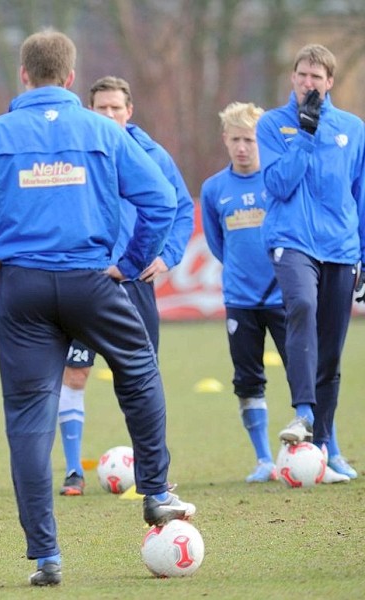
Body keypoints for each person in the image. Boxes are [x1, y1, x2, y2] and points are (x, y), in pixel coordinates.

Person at [0, 30, 195, 586]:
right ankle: (157, 490)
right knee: (140, 371)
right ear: (71, 78)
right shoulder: (102, 130)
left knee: (28, 417)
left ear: (24, 75)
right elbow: (162, 199)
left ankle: (46, 555)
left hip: (20, 289)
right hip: (91, 280)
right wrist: (132, 260)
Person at [202, 102, 355, 484]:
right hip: (240, 298)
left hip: (281, 296)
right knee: (247, 379)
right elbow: (217, 244)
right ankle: (263, 460)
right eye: (235, 139)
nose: (242, 147)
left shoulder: (275, 182)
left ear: (262, 140)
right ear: (225, 140)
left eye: (249, 139)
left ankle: (329, 450)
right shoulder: (213, 189)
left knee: (307, 373)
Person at [57, 76, 195, 496]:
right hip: (87, 278)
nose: (109, 115)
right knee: (75, 373)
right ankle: (73, 471)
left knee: (141, 378)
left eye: (116, 108)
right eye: (101, 108)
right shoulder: (79, 151)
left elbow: (182, 208)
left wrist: (165, 256)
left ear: (129, 110)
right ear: (89, 110)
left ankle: (153, 474)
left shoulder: (151, 155)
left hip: (133, 281)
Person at [256, 44, 365, 471]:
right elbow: (279, 186)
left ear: (330, 83)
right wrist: (303, 135)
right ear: (292, 77)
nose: (308, 83)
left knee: (332, 350)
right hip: (292, 240)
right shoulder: (271, 125)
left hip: (340, 247)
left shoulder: (353, 129)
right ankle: (303, 411)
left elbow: (360, 195)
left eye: (317, 78)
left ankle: (323, 445)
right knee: (301, 304)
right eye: (302, 75)